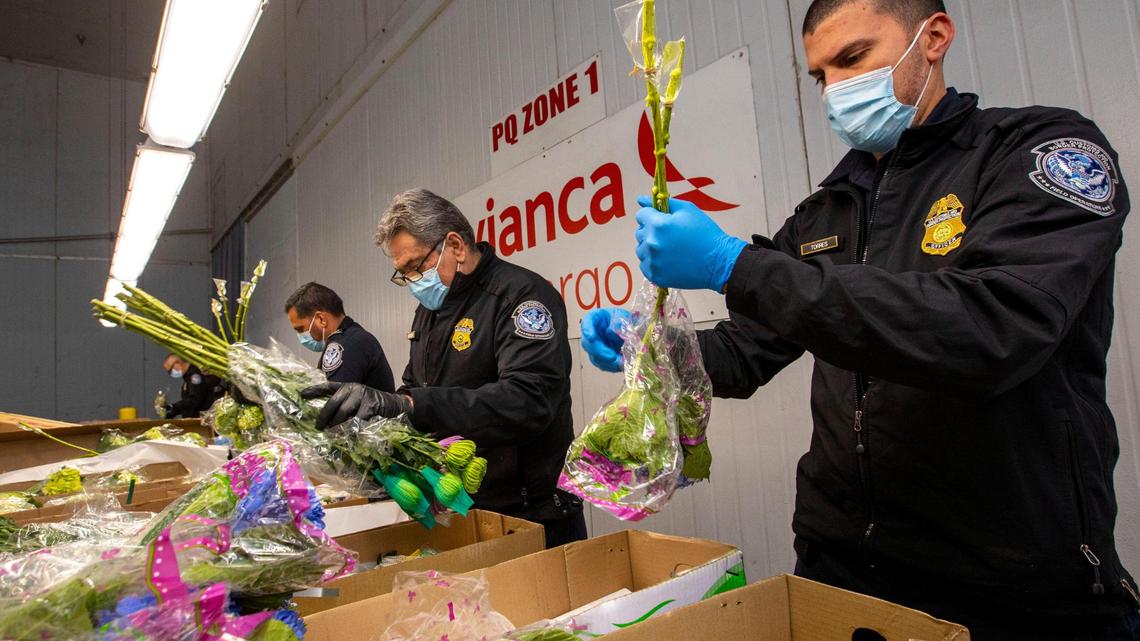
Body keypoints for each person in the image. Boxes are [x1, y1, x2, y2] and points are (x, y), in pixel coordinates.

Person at [581, 1, 1137, 639]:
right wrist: (646, 345)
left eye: (854, 59)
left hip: (1007, 586)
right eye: (821, 75)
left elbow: (994, 330)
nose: (838, 89)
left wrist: (735, 266)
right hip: (845, 567)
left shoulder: (1031, 152)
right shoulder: (828, 211)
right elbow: (744, 355)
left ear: (932, 38)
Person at [301, 189, 586, 547]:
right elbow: (417, 382)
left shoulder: (519, 296)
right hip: (464, 508)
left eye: (415, 267)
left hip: (530, 514)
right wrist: (383, 416)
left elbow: (528, 401)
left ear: (455, 246)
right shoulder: (432, 311)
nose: (412, 281)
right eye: (402, 273)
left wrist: (413, 406)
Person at [285, 282, 395, 392]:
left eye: (300, 329)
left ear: (321, 319)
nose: (300, 336)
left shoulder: (346, 344)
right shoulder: (353, 337)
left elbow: (331, 401)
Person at [162, 354, 223, 419]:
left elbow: (195, 400)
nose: (171, 373)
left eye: (170, 370)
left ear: (177, 363)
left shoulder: (195, 376)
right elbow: (188, 404)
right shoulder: (187, 380)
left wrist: (174, 407)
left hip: (201, 421)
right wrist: (173, 411)